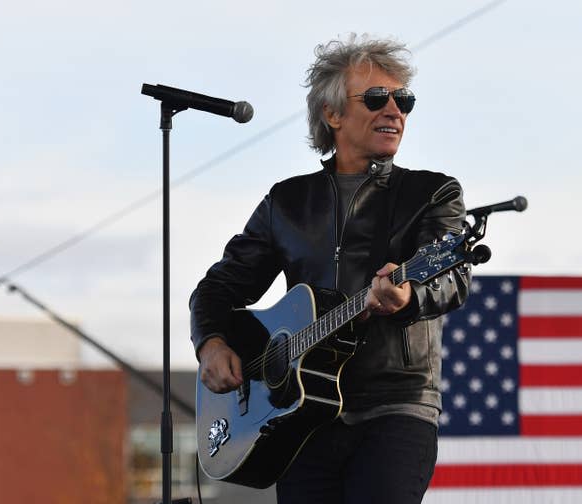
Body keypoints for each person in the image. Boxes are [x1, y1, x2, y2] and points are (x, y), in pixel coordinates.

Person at [190, 35, 470, 504]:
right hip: (301, 417)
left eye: (404, 100)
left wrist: (408, 298)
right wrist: (212, 342)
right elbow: (217, 288)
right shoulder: (287, 202)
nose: (394, 110)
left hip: (395, 405)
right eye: (378, 98)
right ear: (332, 113)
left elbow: (451, 279)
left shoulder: (433, 194)